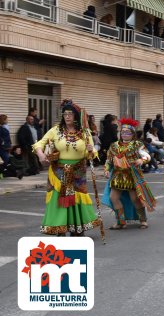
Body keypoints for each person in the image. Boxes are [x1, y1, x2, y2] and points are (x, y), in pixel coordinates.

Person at [33, 99, 101, 235]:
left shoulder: (85, 132)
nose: (68, 116)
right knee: (59, 199)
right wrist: (41, 155)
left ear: (76, 116)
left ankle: (78, 228)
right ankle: (60, 228)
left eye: (70, 114)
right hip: (58, 171)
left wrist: (90, 150)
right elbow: (39, 144)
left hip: (78, 170)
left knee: (77, 198)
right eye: (65, 114)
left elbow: (92, 154)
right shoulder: (55, 130)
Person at [102, 118, 156, 229]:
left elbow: (147, 155)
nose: (125, 134)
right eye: (123, 132)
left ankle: (143, 220)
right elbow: (109, 160)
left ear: (133, 134)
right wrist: (106, 169)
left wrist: (142, 160)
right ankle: (121, 221)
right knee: (113, 198)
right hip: (118, 176)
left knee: (135, 199)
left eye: (128, 133)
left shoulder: (137, 145)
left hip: (132, 175)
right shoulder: (114, 146)